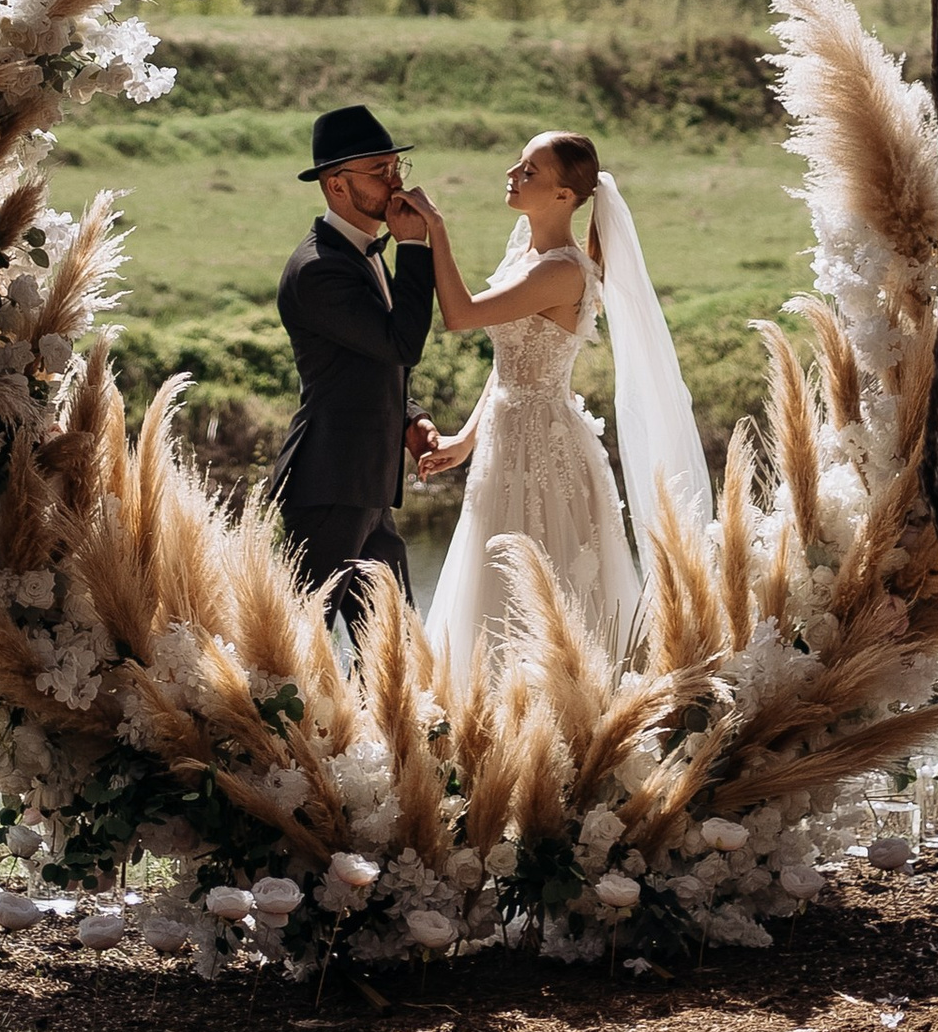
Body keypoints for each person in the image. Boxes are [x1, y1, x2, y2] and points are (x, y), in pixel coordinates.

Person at [401, 132, 712, 674]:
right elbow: (512, 367)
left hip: (545, 451)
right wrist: (465, 440)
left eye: (529, 171)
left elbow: (461, 314)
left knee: (551, 584)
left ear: (565, 196)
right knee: (492, 575)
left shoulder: (562, 270)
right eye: (519, 165)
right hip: (505, 436)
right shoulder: (524, 252)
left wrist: (437, 231)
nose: (512, 174)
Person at [267, 103, 440, 635]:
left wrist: (410, 417)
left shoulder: (359, 251)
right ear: (336, 185)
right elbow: (400, 343)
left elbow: (361, 361)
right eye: (380, 172)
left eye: (397, 169)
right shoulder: (319, 269)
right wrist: (413, 246)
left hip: (365, 487)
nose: (395, 184)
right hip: (327, 486)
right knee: (292, 650)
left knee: (394, 653)